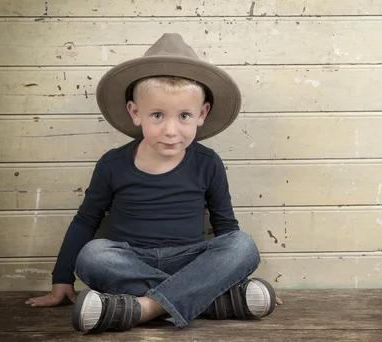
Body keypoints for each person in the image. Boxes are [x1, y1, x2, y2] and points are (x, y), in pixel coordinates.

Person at [25, 33, 282, 334]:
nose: (171, 130)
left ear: (202, 114)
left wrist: (229, 272)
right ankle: (210, 301)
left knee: (243, 246)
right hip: (129, 262)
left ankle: (144, 308)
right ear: (136, 113)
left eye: (184, 115)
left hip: (189, 261)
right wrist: (61, 280)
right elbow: (86, 220)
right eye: (157, 115)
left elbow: (225, 226)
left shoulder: (207, 162)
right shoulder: (113, 164)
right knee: (93, 256)